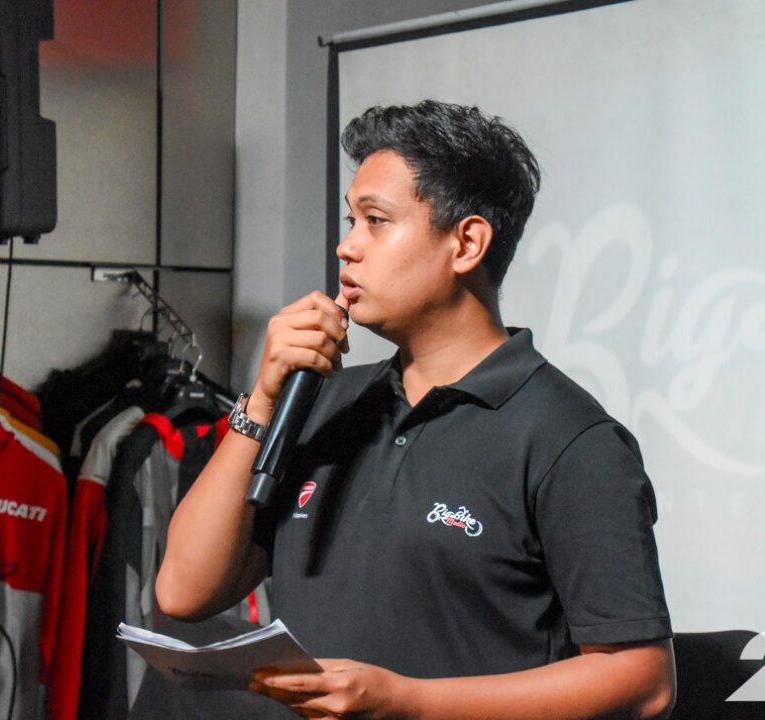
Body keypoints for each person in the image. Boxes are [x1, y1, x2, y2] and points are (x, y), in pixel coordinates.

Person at [156, 100, 676, 720]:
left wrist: (407, 701)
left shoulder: (568, 438)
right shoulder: (327, 402)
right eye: (351, 220)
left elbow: (643, 681)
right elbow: (183, 591)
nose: (347, 247)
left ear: (467, 243)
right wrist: (262, 401)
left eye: (376, 221)